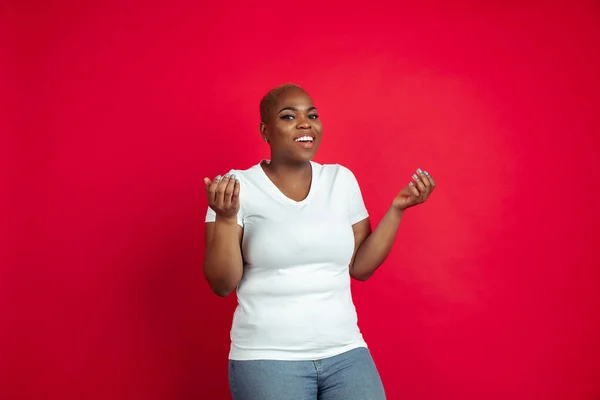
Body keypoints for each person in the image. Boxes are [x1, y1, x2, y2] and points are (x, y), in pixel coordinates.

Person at [203, 83, 436, 400]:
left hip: (345, 353)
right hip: (268, 357)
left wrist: (397, 209)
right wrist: (227, 219)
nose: (304, 123)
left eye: (311, 115)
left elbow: (361, 267)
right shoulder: (235, 187)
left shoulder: (340, 180)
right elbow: (222, 283)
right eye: (288, 116)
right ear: (265, 131)